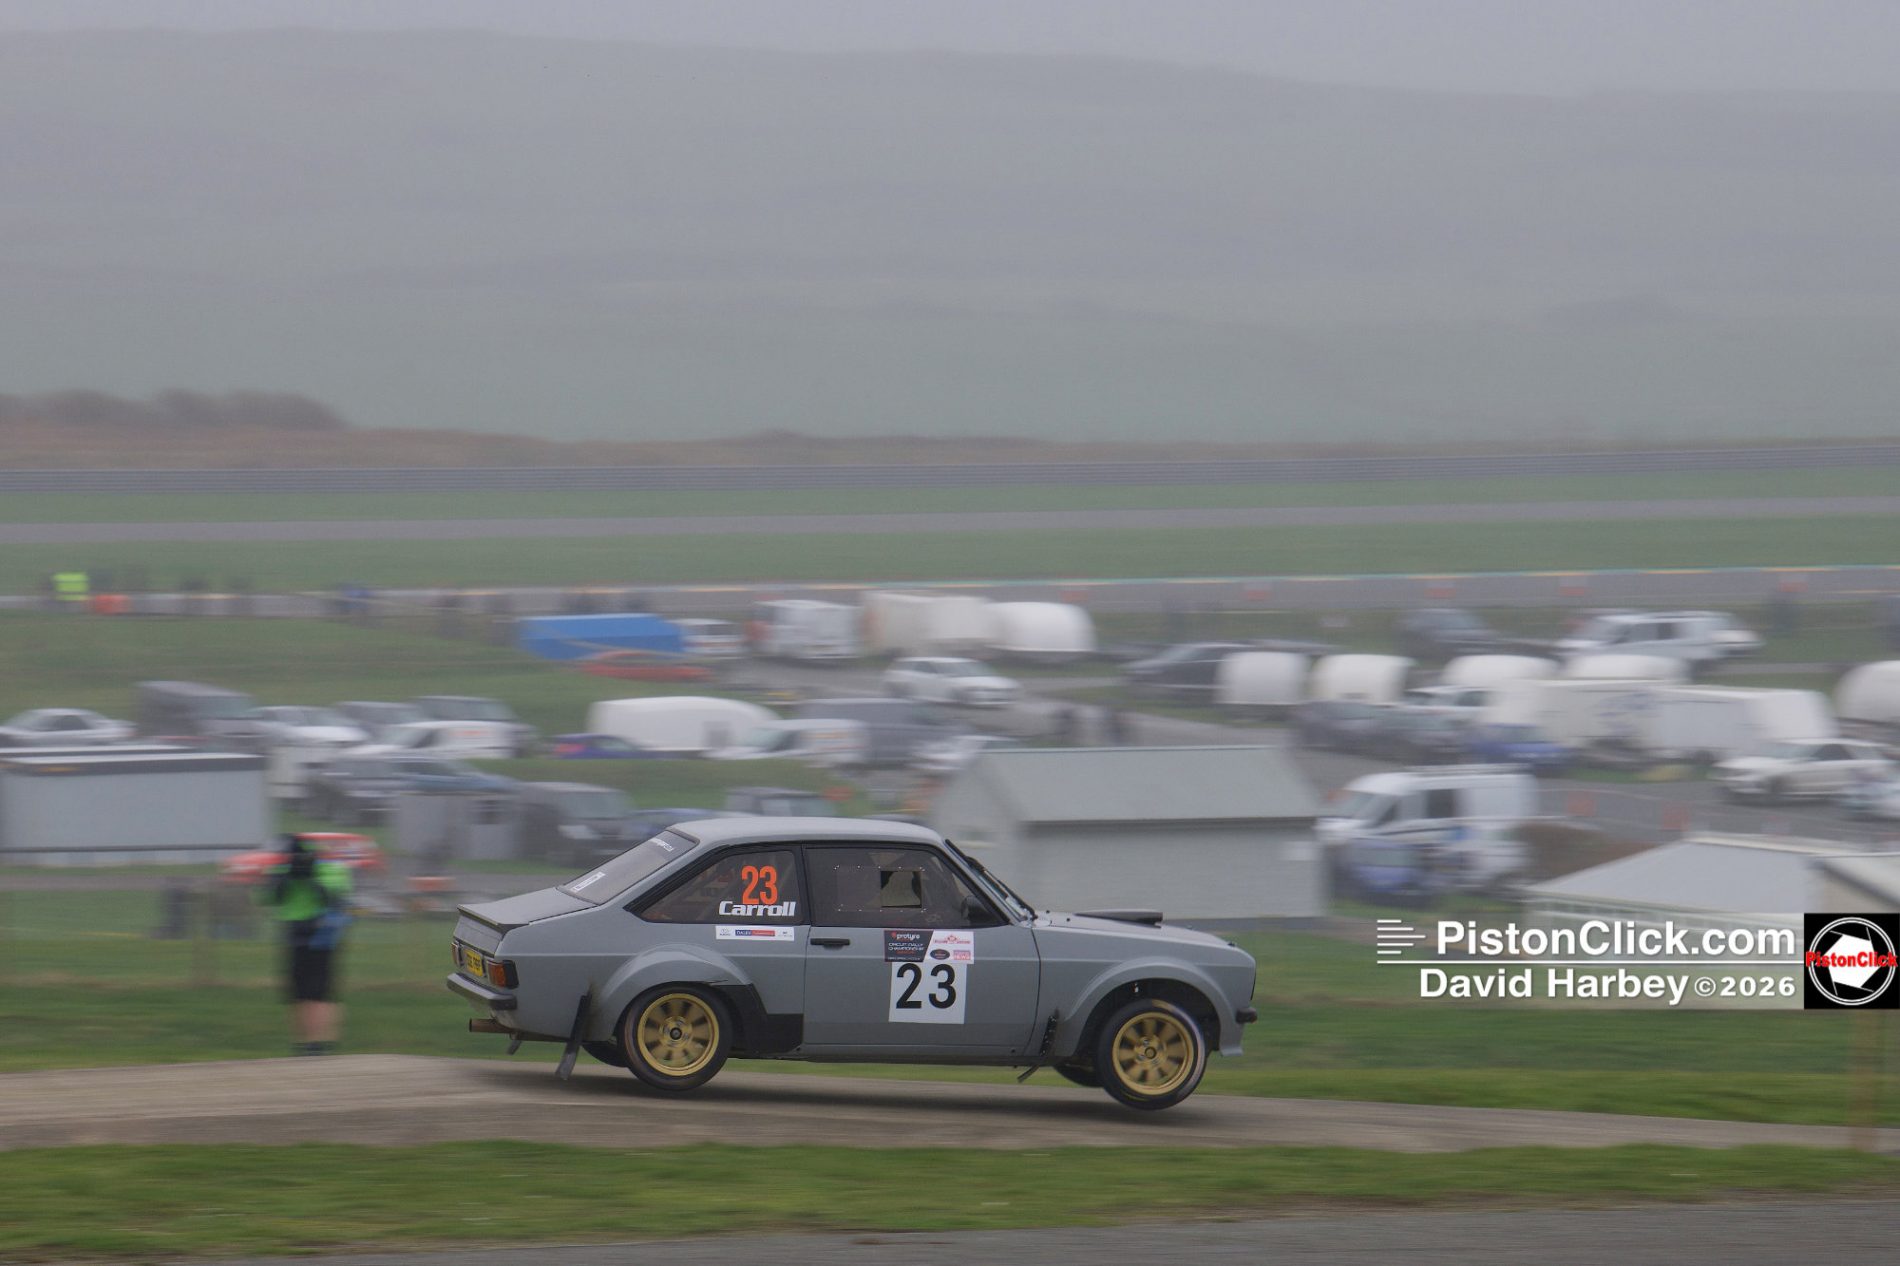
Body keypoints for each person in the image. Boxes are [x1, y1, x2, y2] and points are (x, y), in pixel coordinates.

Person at [259, 834, 353, 1056]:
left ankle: (322, 1042)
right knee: (297, 990)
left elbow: (334, 898)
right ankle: (302, 1043)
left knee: (320, 989)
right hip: (294, 931)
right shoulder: (281, 871)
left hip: (324, 930)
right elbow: (269, 898)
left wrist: (311, 878)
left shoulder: (331, 870)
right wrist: (288, 877)